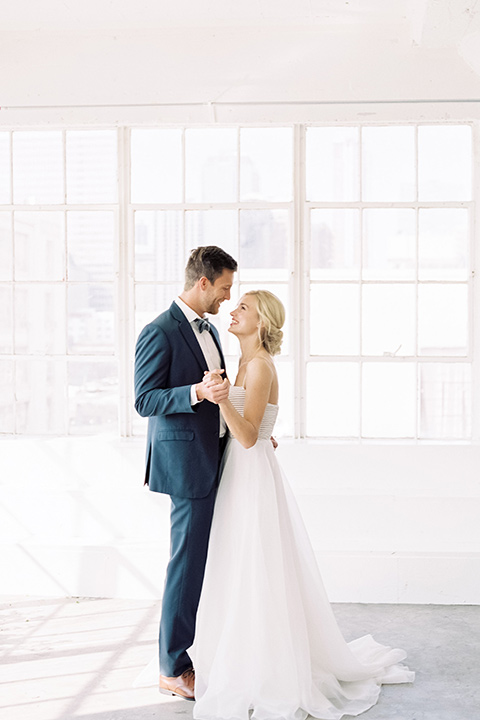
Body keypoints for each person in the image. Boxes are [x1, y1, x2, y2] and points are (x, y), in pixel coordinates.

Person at [191, 290, 414, 720]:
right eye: (234, 305)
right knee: (237, 563)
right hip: (239, 472)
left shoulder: (258, 366)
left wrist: (220, 400)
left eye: (244, 309)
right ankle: (239, 653)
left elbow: (250, 435)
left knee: (255, 564)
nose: (233, 311)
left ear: (262, 324)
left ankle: (264, 666)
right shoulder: (241, 363)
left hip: (251, 473)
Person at [134, 246, 237, 701]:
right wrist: (196, 390)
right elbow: (145, 400)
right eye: (224, 288)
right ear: (203, 283)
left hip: (220, 454)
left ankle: (201, 650)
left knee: (210, 563)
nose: (227, 298)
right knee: (187, 564)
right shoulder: (158, 331)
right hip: (187, 464)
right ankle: (172, 668)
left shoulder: (211, 327)